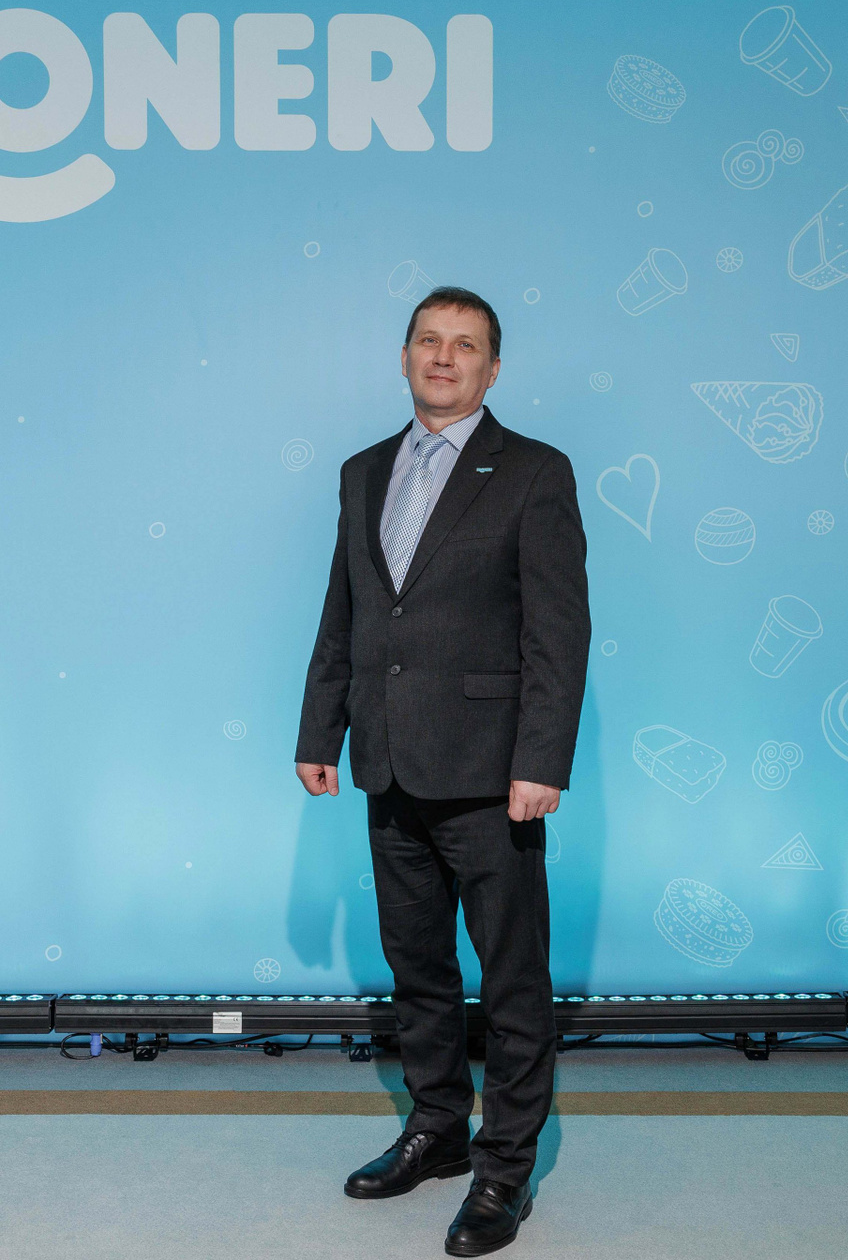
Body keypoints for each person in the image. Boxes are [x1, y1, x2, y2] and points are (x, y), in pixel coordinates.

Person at [295, 286, 590, 1257]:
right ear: (405, 355)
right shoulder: (362, 472)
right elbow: (346, 610)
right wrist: (320, 731)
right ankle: (437, 1128)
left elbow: (558, 631)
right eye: (430, 339)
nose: (444, 356)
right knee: (416, 966)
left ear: (492, 369)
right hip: (389, 764)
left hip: (492, 776)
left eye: (466, 345)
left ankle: (504, 1166)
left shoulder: (535, 471)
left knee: (512, 982)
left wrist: (540, 759)